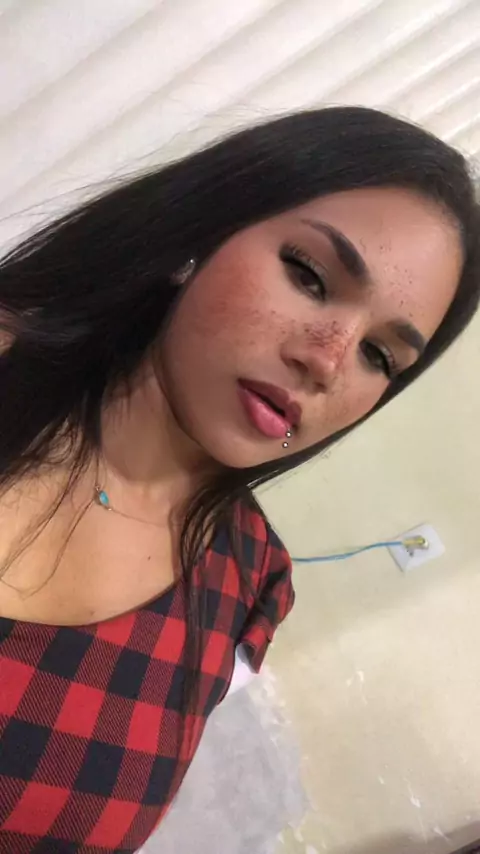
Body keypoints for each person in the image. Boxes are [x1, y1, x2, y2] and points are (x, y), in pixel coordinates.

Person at [0, 105, 478, 853]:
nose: (327, 360)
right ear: (204, 229)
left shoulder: (250, 586)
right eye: (309, 276)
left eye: (380, 357)